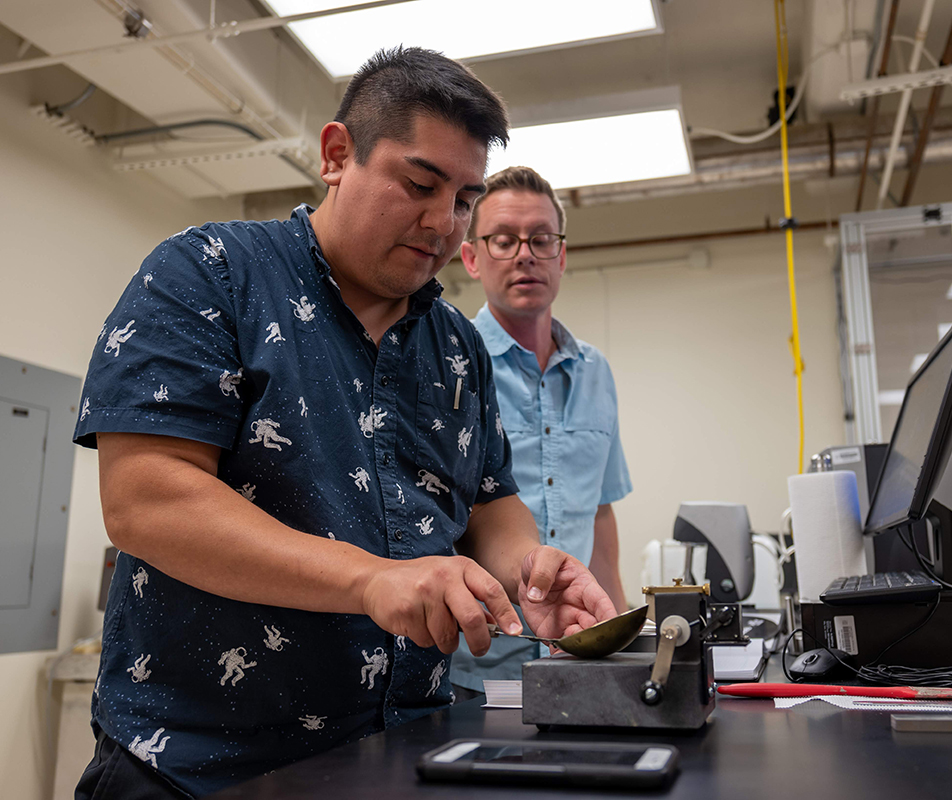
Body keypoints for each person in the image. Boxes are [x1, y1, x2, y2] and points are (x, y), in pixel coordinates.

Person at [72, 48, 613, 799]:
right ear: (336, 155)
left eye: (462, 198)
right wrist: (371, 581)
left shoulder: (457, 346)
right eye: (420, 184)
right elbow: (144, 499)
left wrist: (527, 570)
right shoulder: (211, 274)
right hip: (200, 767)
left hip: (406, 754)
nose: (441, 221)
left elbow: (488, 502)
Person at [452, 167, 632, 695]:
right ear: (471, 257)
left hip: (573, 661)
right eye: (504, 240)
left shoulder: (595, 372)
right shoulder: (447, 363)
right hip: (473, 667)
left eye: (542, 239)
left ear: (562, 254)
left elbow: (599, 514)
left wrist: (616, 639)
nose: (525, 254)